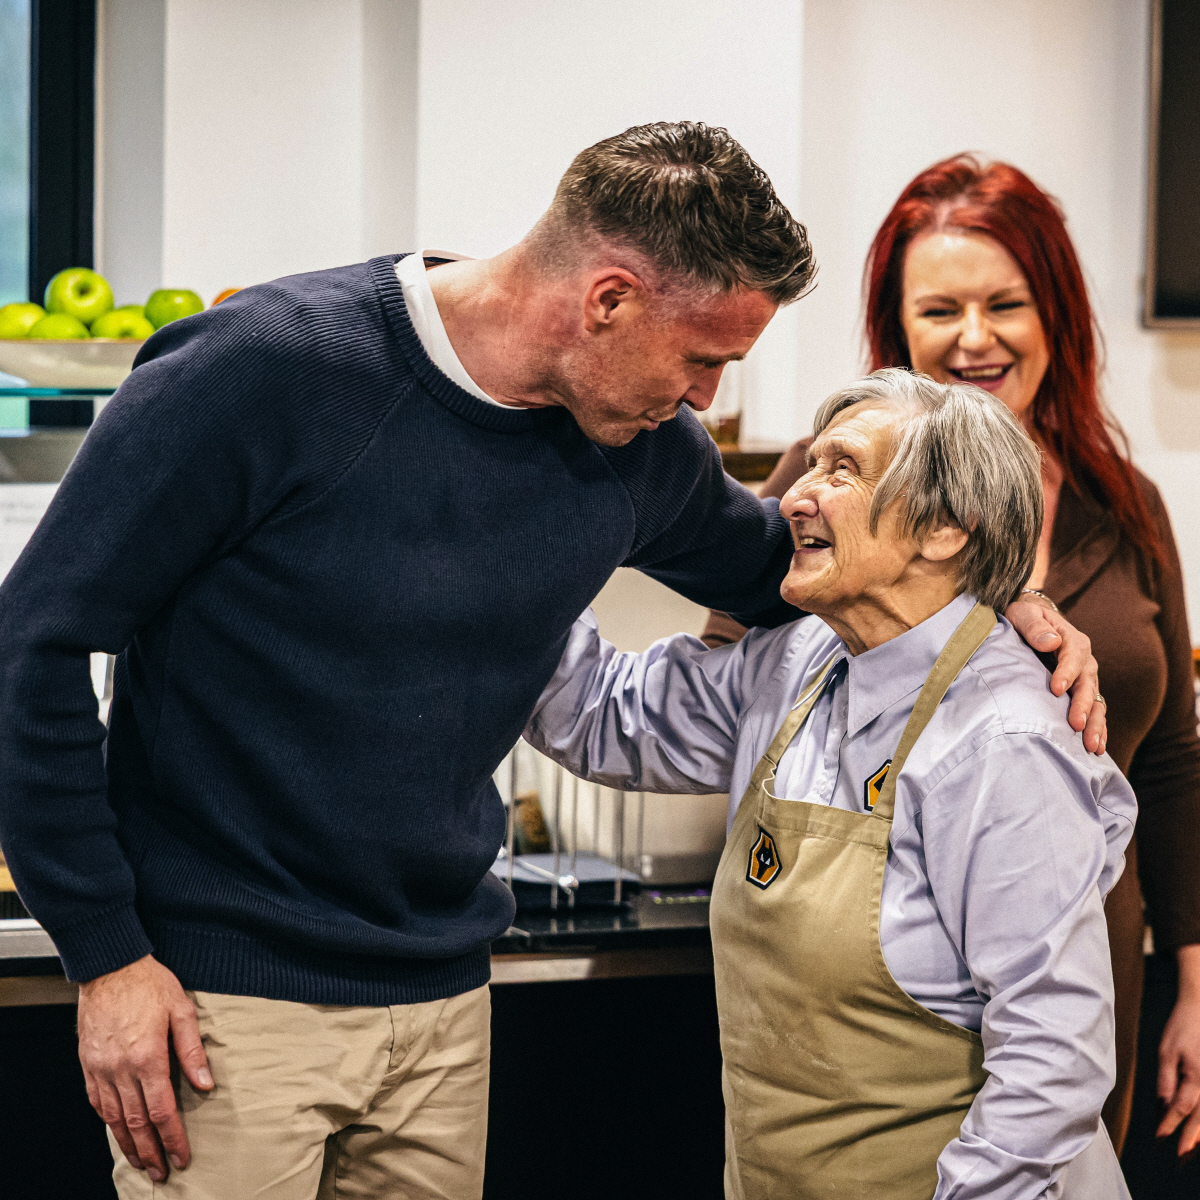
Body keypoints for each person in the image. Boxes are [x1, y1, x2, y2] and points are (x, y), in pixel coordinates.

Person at [0, 126, 1098, 1199]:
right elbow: (30, 645)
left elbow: (813, 567)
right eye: (703, 356)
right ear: (608, 299)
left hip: (442, 1003)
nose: (710, 397)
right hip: (225, 1006)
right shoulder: (267, 369)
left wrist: (1016, 608)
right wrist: (104, 954)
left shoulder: (641, 447)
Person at [529, 369, 1134, 1200]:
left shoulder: (1006, 744)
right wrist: (503, 544)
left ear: (947, 528)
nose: (794, 499)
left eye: (840, 469)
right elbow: (600, 717)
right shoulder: (799, 660)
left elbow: (1054, 1061)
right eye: (810, 465)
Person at [704, 154, 1200, 1161]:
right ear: (901, 331)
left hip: (1079, 960)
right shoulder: (821, 479)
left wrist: (1198, 979)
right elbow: (736, 685)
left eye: (1005, 303)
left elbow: (1174, 763)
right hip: (857, 992)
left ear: (1054, 315)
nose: (975, 338)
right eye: (940, 311)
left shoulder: (1124, 498)